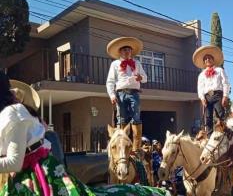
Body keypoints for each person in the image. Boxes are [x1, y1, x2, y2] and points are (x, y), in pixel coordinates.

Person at [0, 72, 168, 196]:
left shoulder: (13, 113)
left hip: (35, 173)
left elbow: (14, 161)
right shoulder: (13, 114)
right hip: (24, 172)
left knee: (132, 119)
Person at [106, 37, 148, 153]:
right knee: (121, 117)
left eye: (128, 49)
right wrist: (112, 95)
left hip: (134, 93)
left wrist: (141, 78)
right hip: (120, 94)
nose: (127, 51)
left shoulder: (137, 63)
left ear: (131, 52)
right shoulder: (115, 64)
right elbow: (110, 81)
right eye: (124, 49)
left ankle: (136, 147)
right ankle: (121, 145)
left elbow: (145, 78)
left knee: (136, 117)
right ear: (120, 52)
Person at [193, 45, 230, 137]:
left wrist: (225, 96)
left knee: (220, 114)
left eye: (209, 58)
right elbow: (200, 88)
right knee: (208, 117)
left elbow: (226, 83)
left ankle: (224, 133)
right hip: (207, 96)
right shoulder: (201, 75)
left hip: (218, 94)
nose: (207, 60)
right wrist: (202, 98)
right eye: (205, 59)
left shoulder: (219, 70)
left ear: (213, 60)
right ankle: (209, 136)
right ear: (204, 62)